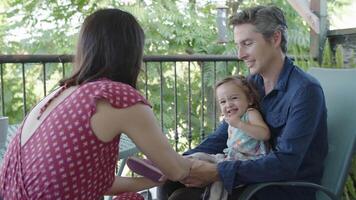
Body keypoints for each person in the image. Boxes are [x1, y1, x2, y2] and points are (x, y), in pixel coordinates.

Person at [0, 8, 192, 200]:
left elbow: (95, 183)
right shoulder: (117, 96)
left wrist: (154, 180)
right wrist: (207, 165)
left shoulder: (60, 94)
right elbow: (177, 170)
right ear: (131, 54)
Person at [158, 5, 328, 200]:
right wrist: (181, 161)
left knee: (182, 198)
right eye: (238, 45)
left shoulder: (305, 91)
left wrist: (218, 172)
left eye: (247, 43)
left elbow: (285, 163)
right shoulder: (252, 84)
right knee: (170, 182)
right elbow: (223, 134)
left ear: (275, 38)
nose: (240, 54)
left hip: (284, 187)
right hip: (252, 175)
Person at [185, 75, 270, 200]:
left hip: (248, 161)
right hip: (231, 157)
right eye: (223, 102)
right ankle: (179, 163)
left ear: (250, 99)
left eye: (234, 98)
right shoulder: (230, 119)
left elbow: (264, 134)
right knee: (200, 157)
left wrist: (240, 124)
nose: (228, 104)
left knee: (219, 180)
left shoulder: (250, 113)